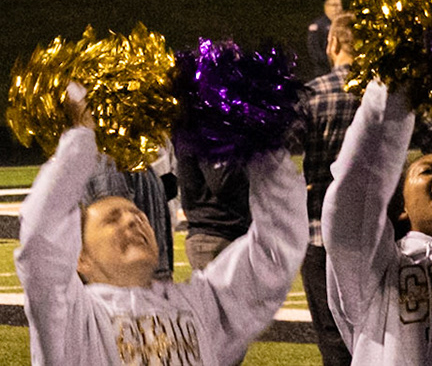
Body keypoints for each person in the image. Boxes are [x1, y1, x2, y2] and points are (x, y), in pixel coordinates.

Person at [15, 83, 304, 366]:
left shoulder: (198, 305)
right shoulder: (74, 321)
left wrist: (260, 144)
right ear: (81, 257)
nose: (132, 219)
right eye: (112, 218)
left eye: (138, 216)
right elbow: (41, 240)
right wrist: (81, 136)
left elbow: (275, 248)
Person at [293, 11, 432, 366]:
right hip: (386, 228)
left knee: (337, 345)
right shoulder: (387, 90)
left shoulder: (313, 94)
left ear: (333, 43)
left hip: (321, 236)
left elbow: (276, 151)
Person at [323, 81, 432, 363]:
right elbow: (355, 191)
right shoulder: (376, 268)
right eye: (427, 170)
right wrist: (393, 88)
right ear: (402, 205)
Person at [309, 0, 345, 79]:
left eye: (340, 5)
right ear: (326, 7)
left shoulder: (344, 24)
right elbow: (314, 50)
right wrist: (329, 62)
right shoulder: (318, 26)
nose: (338, 8)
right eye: (334, 5)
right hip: (324, 71)